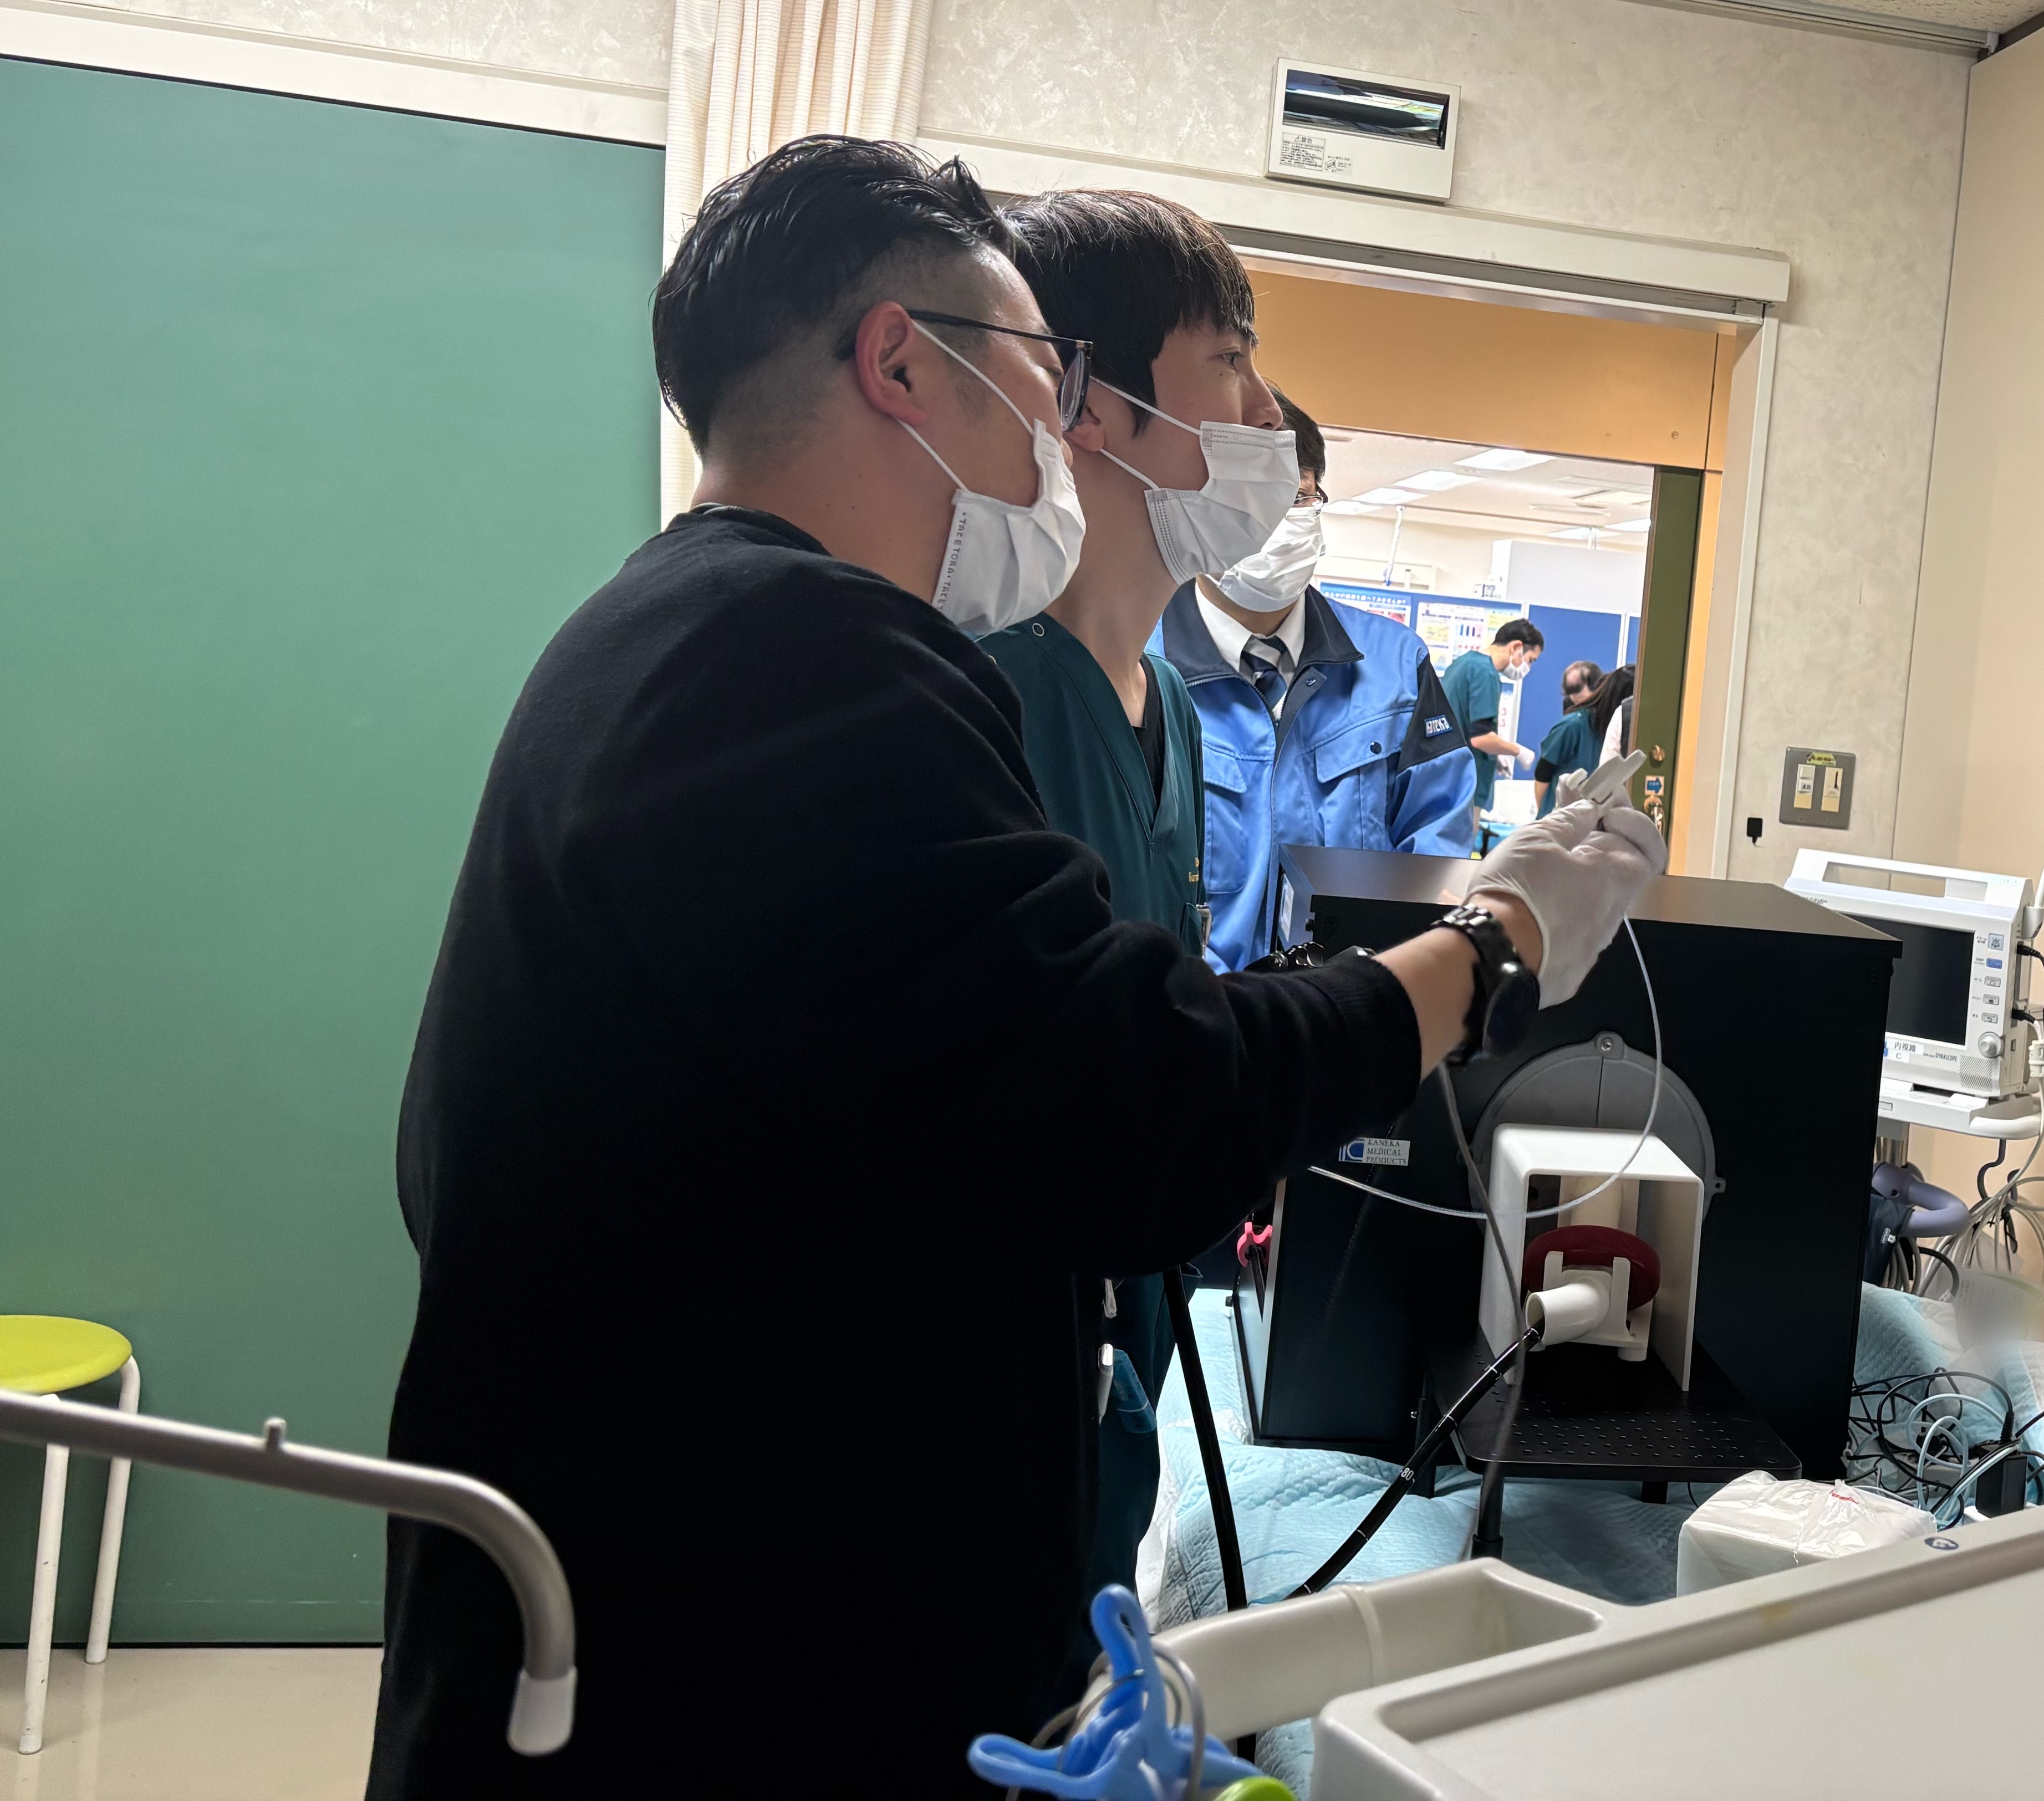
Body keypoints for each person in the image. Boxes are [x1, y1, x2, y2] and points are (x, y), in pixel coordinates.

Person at [365, 135, 1664, 1800]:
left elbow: (982, 1094)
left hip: (704, 1606)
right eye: (1040, 375)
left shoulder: (674, 632)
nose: (1059, 430)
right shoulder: (795, 657)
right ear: (901, 363)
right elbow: (1138, 1103)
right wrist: (1492, 946)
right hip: (705, 1672)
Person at [970, 186, 1292, 1670]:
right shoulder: (986, 696)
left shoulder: (1166, 709)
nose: (1267, 413)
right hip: (1002, 1398)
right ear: (1090, 403)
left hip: (1125, 1369)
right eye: (1229, 362)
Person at [1158, 389, 1477, 971]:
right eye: (1247, 500)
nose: (1274, 521)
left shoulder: (1395, 664)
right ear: (1194, 507)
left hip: (1350, 1006)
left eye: (1297, 497)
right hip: (1193, 1010)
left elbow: (1437, 853)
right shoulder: (1139, 666)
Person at [1439, 616, 1545, 832]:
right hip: (1464, 785)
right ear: (1516, 647)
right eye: (1530, 660)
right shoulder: (1485, 673)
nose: (1528, 667)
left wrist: (1494, 755)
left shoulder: (1463, 664)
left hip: (1446, 779)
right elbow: (1480, 738)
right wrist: (1518, 752)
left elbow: (1463, 723)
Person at [1531, 660, 1607, 803]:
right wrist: (1544, 812)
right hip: (1563, 808)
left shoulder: (1606, 722)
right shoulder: (1571, 725)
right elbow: (1543, 772)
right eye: (1570, 691)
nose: (1574, 697)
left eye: (1578, 689)